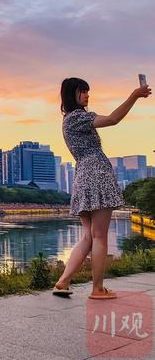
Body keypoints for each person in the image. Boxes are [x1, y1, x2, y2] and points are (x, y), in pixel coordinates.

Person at [53, 78, 150, 299]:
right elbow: (113, 119)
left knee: (88, 236)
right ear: (72, 94)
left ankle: (63, 281)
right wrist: (135, 95)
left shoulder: (68, 120)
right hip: (97, 174)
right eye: (83, 91)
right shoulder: (79, 117)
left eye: (88, 91)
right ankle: (97, 289)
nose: (87, 95)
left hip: (82, 176)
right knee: (99, 237)